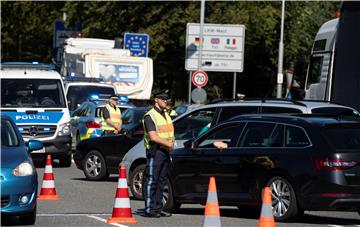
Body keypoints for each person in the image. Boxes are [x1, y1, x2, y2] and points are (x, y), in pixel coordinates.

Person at [143, 90, 175, 218]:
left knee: (161, 180)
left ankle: (158, 208)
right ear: (156, 100)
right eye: (163, 99)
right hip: (155, 151)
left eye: (166, 99)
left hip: (165, 151)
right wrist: (168, 144)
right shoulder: (149, 116)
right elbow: (153, 136)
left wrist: (171, 143)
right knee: (152, 180)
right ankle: (150, 209)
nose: (165, 101)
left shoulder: (166, 114)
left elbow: (169, 132)